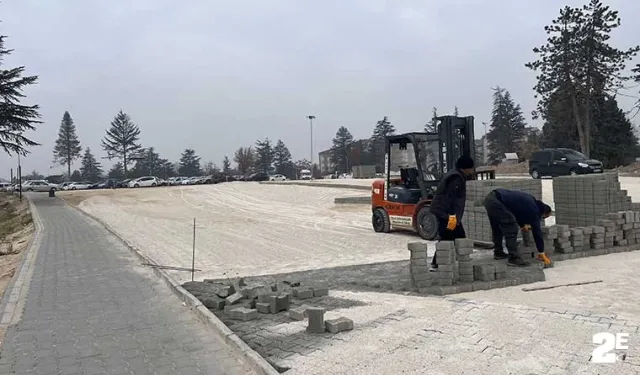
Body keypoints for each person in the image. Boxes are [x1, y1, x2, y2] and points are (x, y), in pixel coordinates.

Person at [483, 188, 553, 267]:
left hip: (491, 198)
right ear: (543, 213)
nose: (542, 219)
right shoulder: (534, 211)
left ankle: (498, 253)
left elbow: (516, 212)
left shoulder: (532, 202)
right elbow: (537, 233)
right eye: (544, 218)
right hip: (497, 201)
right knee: (511, 228)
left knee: (497, 227)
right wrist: (541, 252)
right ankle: (514, 258)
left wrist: (522, 225)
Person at [429, 155, 476, 270]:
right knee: (452, 236)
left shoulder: (456, 175)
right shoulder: (456, 178)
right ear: (466, 168)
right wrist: (452, 216)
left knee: (450, 236)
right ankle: (439, 264)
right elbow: (451, 199)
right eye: (471, 168)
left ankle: (459, 263)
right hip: (446, 213)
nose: (473, 170)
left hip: (446, 213)